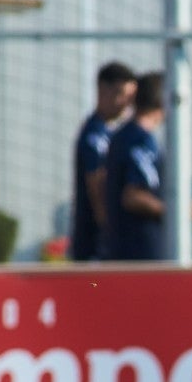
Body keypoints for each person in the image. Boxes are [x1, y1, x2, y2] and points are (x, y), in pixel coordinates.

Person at [70, 61, 136, 260]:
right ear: (102, 90)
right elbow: (97, 184)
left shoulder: (107, 132)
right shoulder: (95, 136)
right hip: (94, 243)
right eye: (121, 94)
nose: (126, 103)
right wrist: (108, 232)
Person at [103, 71, 168, 260]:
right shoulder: (142, 141)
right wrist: (174, 211)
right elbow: (133, 196)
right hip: (140, 249)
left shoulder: (121, 136)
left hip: (119, 247)